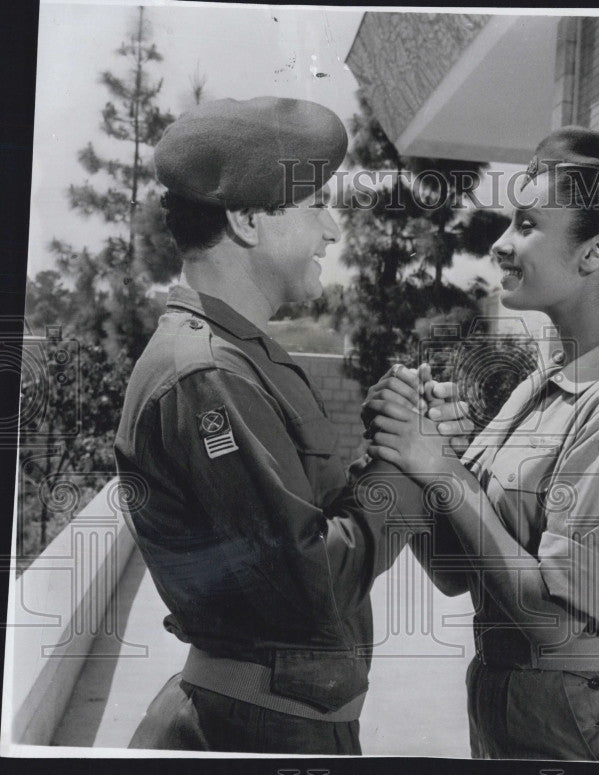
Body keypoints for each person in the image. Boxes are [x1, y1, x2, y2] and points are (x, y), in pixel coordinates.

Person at [114, 96, 465, 754]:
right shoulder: (208, 374)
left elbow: (307, 523)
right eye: (315, 205)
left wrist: (391, 442)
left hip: (280, 723)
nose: (332, 230)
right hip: (257, 731)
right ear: (248, 218)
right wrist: (407, 468)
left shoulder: (239, 358)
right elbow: (310, 582)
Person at [364, 127, 599, 762]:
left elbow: (552, 618)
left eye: (526, 224)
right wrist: (408, 446)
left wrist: (445, 475)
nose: (501, 244)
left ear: (596, 251)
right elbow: (456, 575)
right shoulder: (539, 392)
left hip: (575, 716)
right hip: (507, 700)